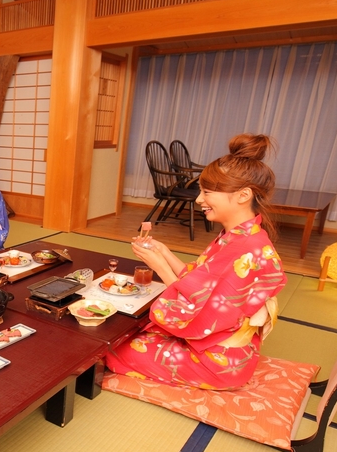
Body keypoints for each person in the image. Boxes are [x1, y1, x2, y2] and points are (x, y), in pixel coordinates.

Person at [106, 133, 287, 390]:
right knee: (128, 331)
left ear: (243, 195)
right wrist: (165, 252)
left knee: (114, 349)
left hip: (218, 362)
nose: (199, 200)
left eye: (207, 192)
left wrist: (160, 266)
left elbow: (200, 311)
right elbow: (202, 281)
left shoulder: (247, 248)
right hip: (220, 349)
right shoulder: (241, 236)